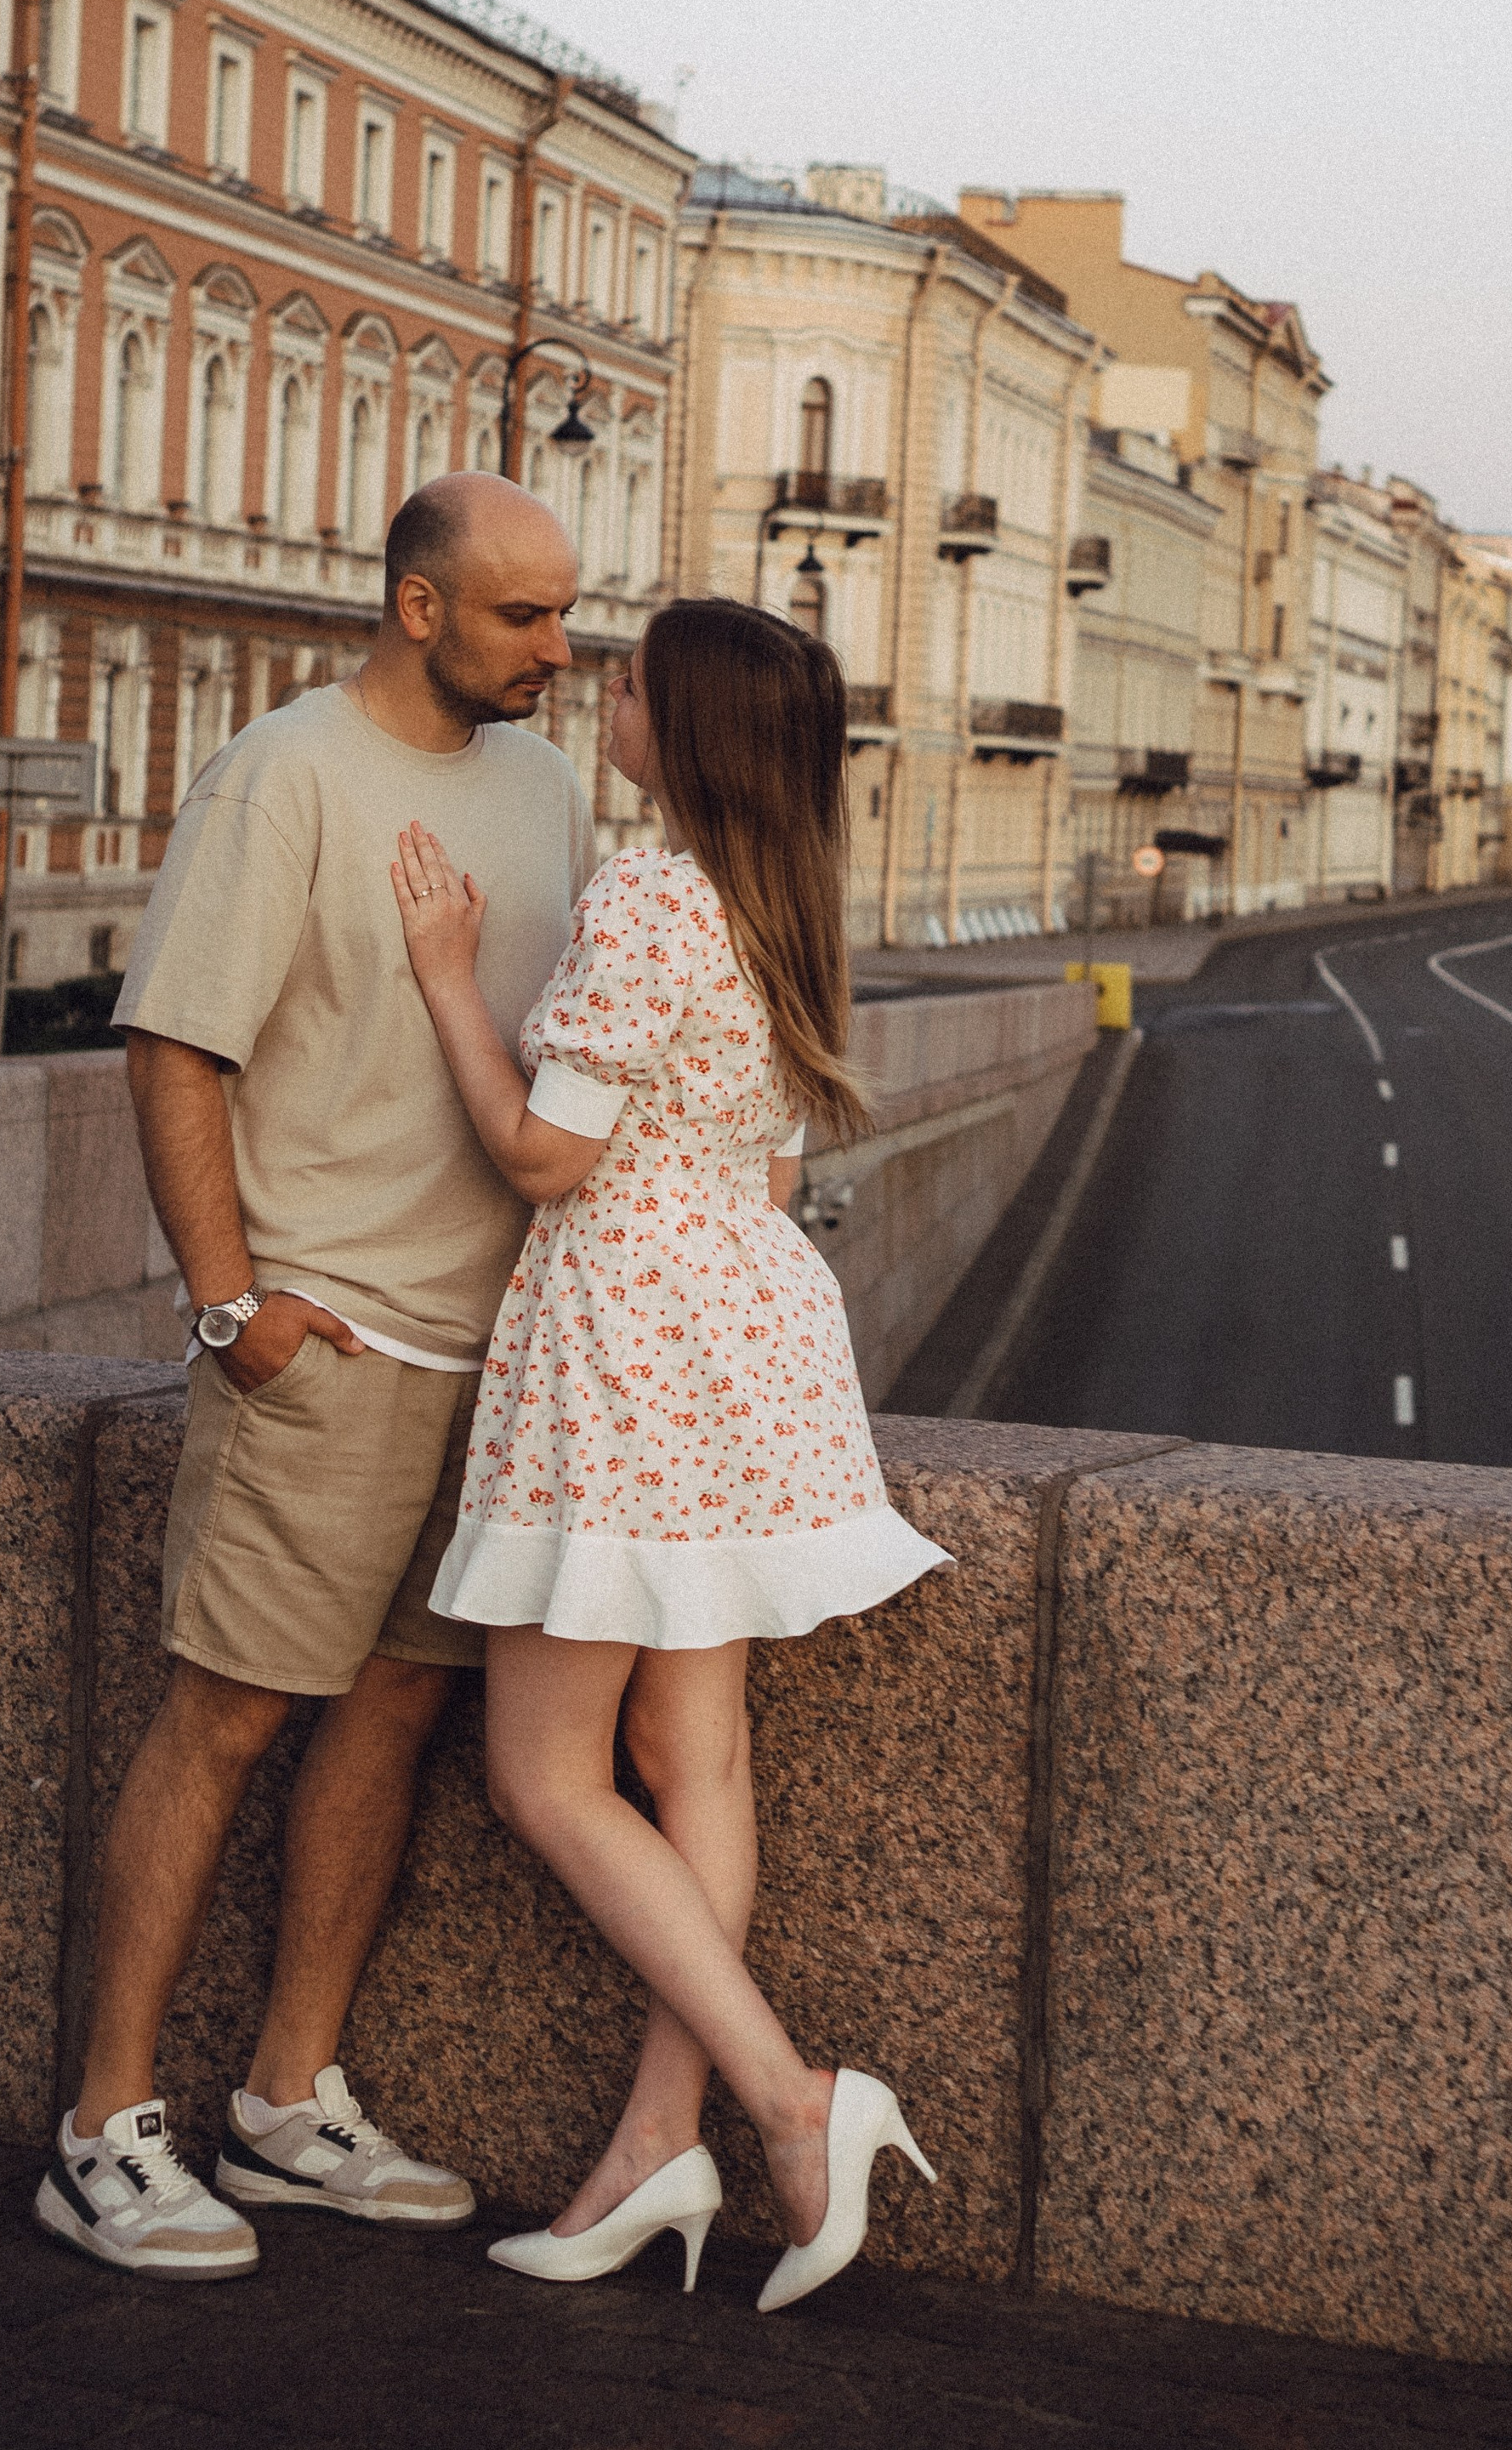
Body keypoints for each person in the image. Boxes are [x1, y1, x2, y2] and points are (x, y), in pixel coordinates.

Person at [34, 475, 598, 2282]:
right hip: (327, 1337)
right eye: (523, 618)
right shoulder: (283, 775)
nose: (558, 650)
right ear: (419, 609)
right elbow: (173, 1044)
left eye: (566, 614)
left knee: (390, 1717)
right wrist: (230, 1306)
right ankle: (103, 2131)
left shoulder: (547, 783)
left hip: (490, 1342)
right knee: (226, 1717)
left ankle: (288, 2105)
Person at [390, 594, 946, 2311]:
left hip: (625, 1346)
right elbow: (769, 1174)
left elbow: (542, 1158)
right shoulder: (782, 904)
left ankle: (790, 2101)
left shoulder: (646, 892)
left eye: (626, 681)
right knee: (687, 1750)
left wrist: (441, 983)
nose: (601, 695)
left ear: (679, 725)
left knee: (546, 1775)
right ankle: (653, 2144)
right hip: (749, 1339)